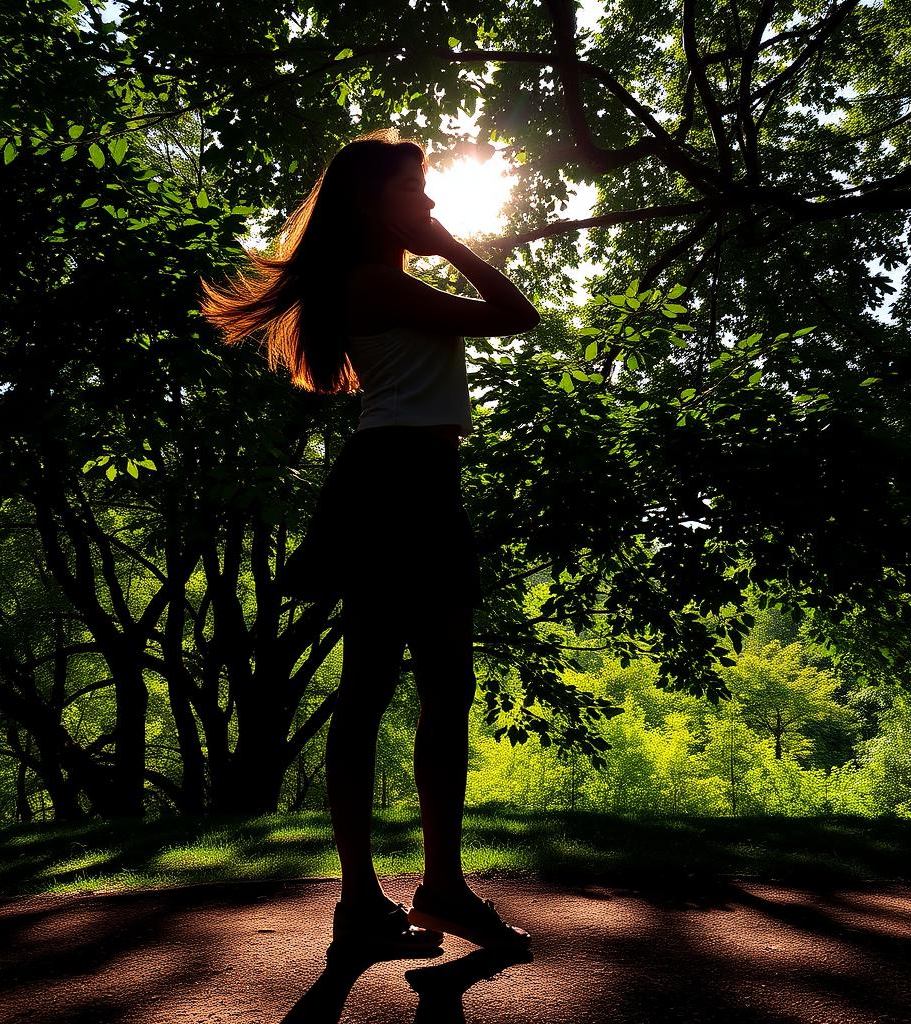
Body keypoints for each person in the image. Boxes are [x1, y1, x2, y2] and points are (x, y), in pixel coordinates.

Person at [199, 128, 540, 954]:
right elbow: (516, 314)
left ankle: (416, 895)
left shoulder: (380, 282)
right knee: (386, 694)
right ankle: (394, 899)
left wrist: (430, 241)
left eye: (429, 193)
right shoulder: (372, 286)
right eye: (413, 191)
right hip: (398, 485)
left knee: (426, 692)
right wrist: (449, 243)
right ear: (368, 201)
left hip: (413, 481)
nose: (428, 202)